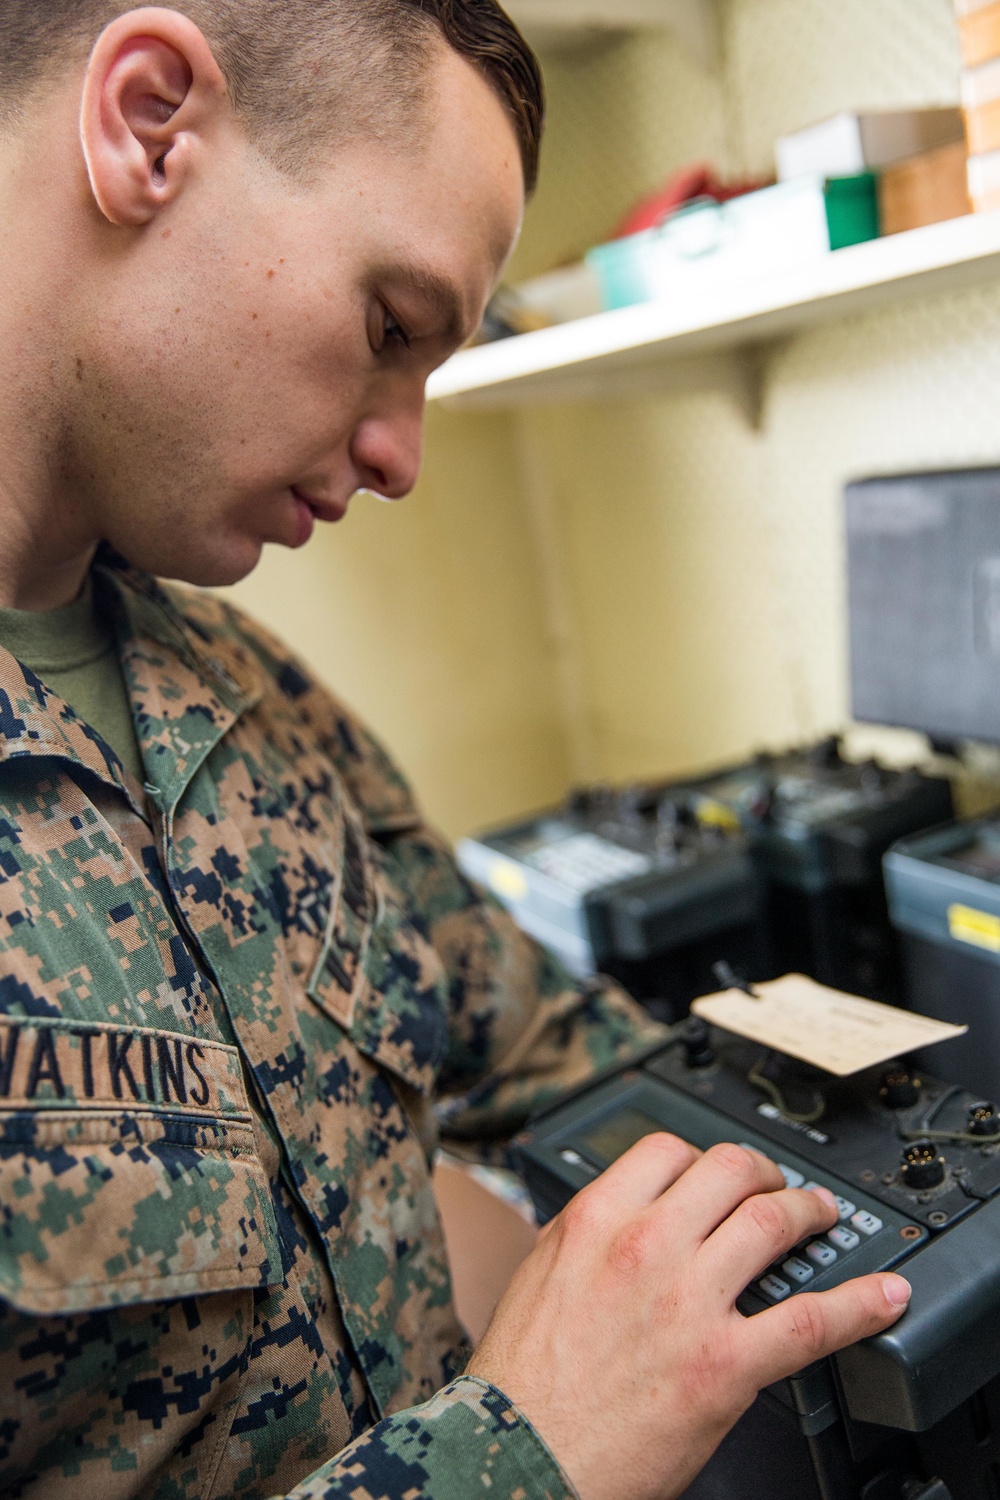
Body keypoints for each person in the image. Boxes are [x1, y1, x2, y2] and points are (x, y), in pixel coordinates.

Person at [0, 3, 912, 1497]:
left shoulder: (238, 697)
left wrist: (899, 1139)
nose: (402, 456)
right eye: (390, 328)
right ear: (148, 122)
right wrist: (520, 1454)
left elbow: (556, 1049)